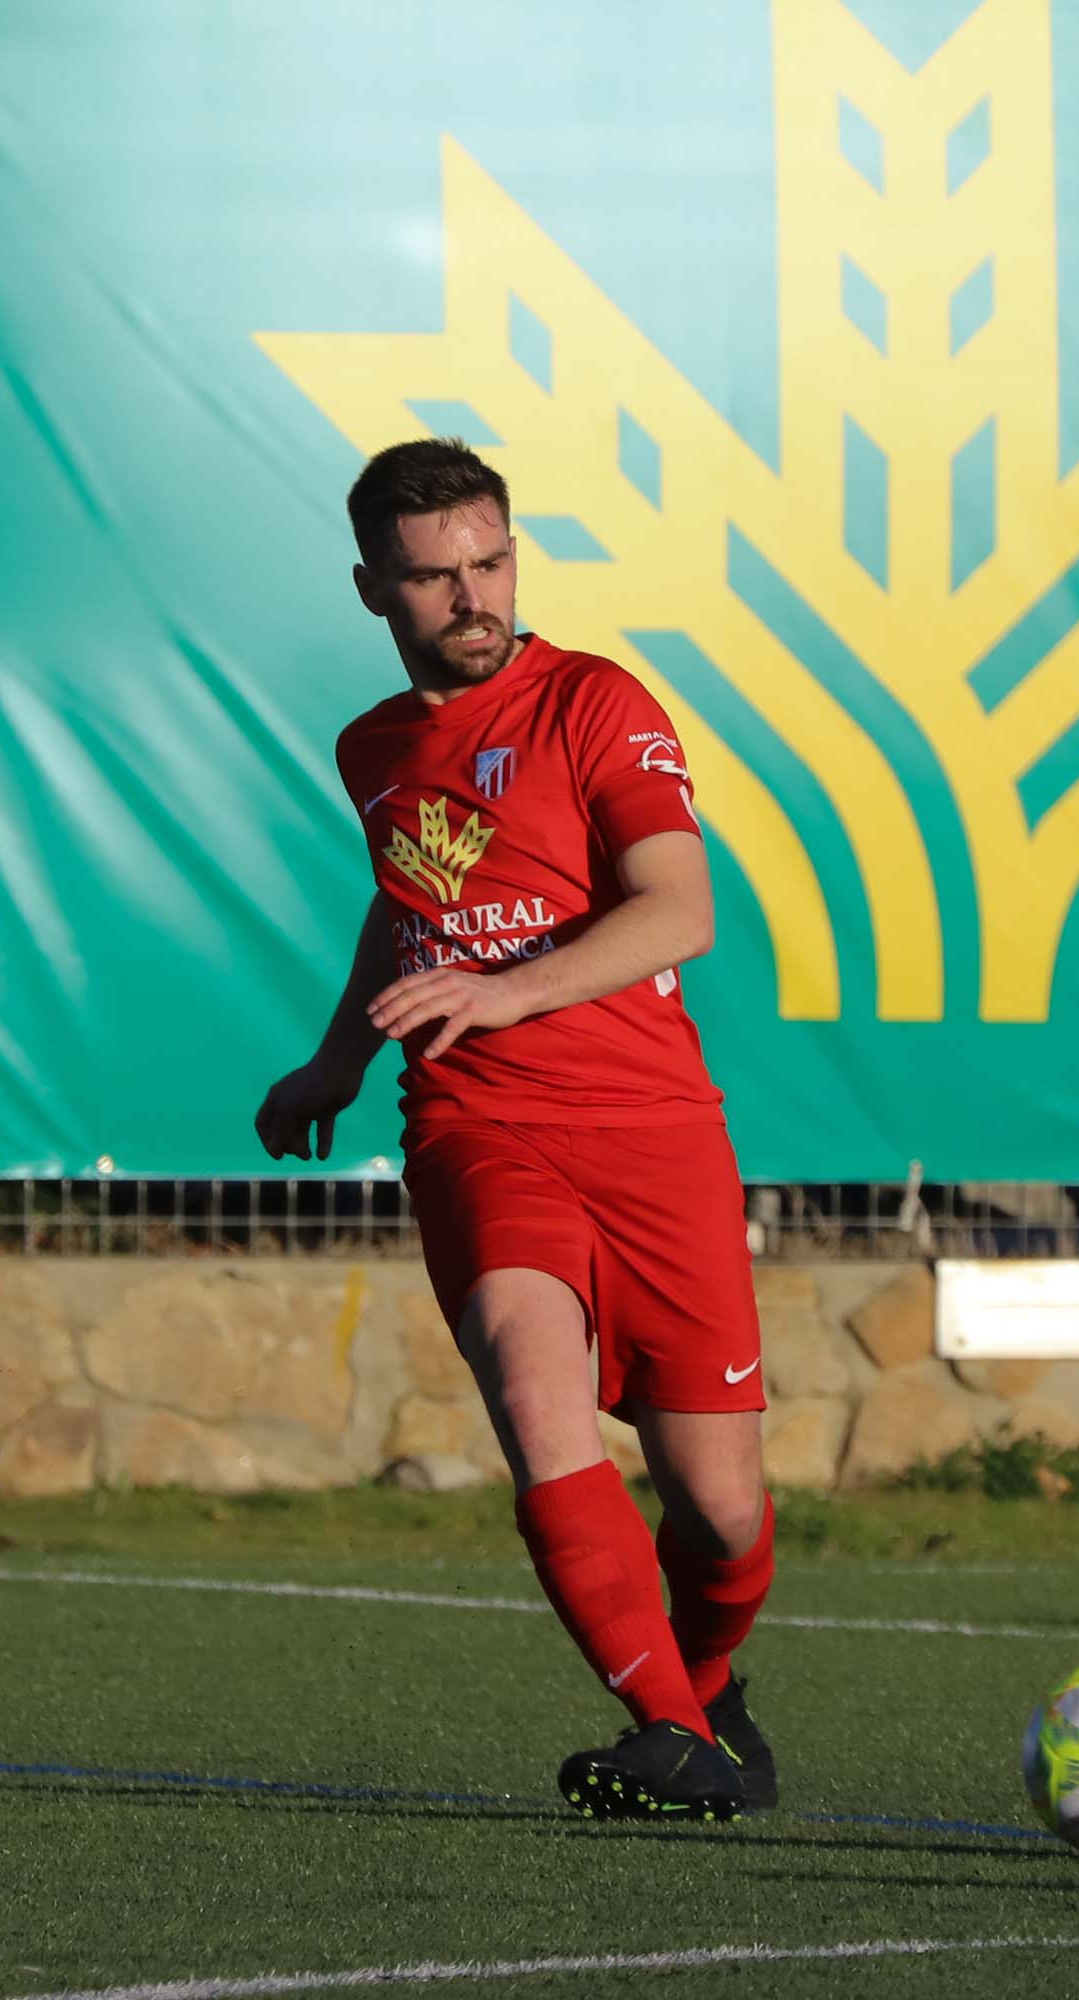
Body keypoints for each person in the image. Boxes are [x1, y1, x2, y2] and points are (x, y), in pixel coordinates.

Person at [254, 438, 777, 1820]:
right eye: (434, 577)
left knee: (723, 1520)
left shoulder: (597, 703)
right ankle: (672, 1732)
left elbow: (679, 909)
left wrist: (506, 989)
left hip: (652, 1126)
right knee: (531, 1386)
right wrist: (336, 1062)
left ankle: (710, 1689)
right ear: (375, 587)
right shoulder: (372, 746)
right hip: (479, 1124)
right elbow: (406, 904)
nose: (471, 596)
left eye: (490, 563)